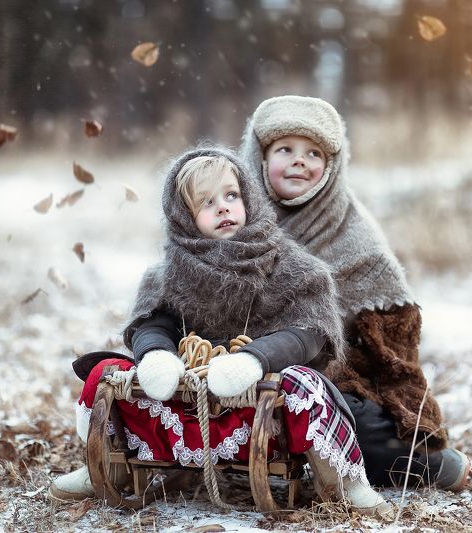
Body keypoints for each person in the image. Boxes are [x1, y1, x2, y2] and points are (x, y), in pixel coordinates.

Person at [49, 145, 392, 518]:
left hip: (261, 411)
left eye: (231, 195)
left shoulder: (294, 268)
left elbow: (310, 332)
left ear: (249, 198)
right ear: (183, 216)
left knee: (305, 385)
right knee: (106, 373)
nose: (223, 207)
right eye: (206, 202)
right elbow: (153, 321)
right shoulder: (168, 272)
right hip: (187, 405)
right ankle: (108, 464)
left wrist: (255, 359)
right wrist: (157, 355)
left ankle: (341, 479)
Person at [240, 95, 471, 490]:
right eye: (285, 150)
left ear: (332, 167)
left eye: (313, 153)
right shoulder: (233, 215)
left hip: (329, 370)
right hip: (238, 361)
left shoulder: (353, 238)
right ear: (258, 159)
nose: (299, 160)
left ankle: (424, 463)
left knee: (349, 419)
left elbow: (390, 348)